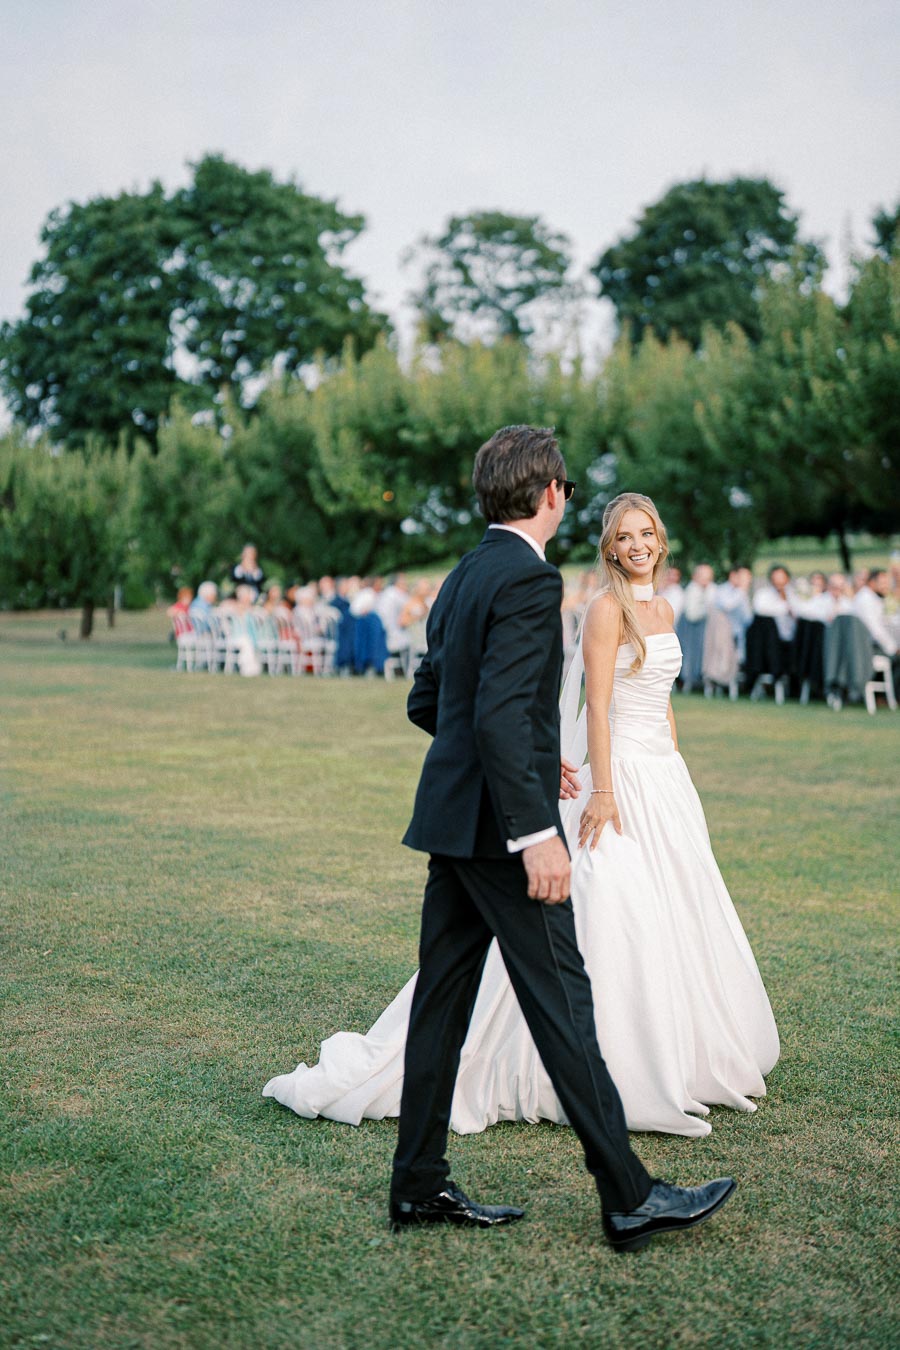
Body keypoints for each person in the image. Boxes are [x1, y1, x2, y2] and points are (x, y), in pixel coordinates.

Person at [265, 427, 739, 1253]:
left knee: (443, 1006)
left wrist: (529, 752)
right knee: (564, 1002)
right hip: (499, 836)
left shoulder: (461, 575)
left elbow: (430, 703)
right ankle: (629, 1196)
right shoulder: (527, 577)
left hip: (453, 827)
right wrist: (533, 833)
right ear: (552, 492)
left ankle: (416, 1186)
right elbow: (482, 712)